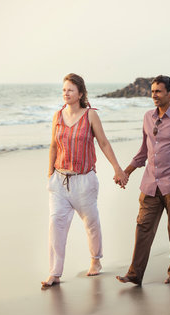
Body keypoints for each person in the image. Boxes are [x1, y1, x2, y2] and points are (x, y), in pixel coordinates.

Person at [41, 73, 128, 288]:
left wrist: (118, 169)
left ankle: (95, 260)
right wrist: (49, 174)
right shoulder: (57, 116)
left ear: (80, 93)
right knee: (56, 224)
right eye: (64, 90)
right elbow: (53, 146)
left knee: (91, 223)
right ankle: (54, 273)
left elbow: (104, 143)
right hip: (60, 181)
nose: (66, 93)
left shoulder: (90, 116)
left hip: (85, 181)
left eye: (70, 90)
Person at [116, 75, 170, 286]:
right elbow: (143, 152)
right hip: (150, 184)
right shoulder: (147, 117)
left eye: (158, 91)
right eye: (152, 91)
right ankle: (134, 275)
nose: (154, 95)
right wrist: (126, 172)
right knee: (142, 228)